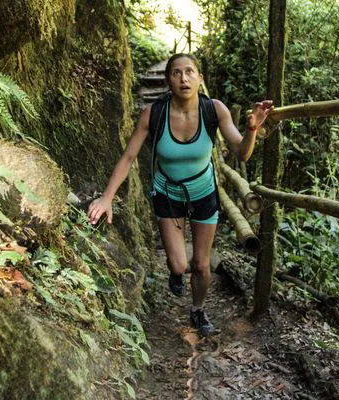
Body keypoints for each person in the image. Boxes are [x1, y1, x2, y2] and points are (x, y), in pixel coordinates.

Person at [88, 53, 273, 336]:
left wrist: (251, 128)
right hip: (168, 192)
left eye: (190, 72)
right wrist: (107, 197)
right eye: (176, 73)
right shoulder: (154, 114)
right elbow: (128, 157)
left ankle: (198, 311)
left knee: (200, 264)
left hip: (203, 193)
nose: (184, 78)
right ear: (168, 81)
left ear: (200, 78)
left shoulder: (215, 110)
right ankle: (174, 273)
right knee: (179, 264)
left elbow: (241, 151)